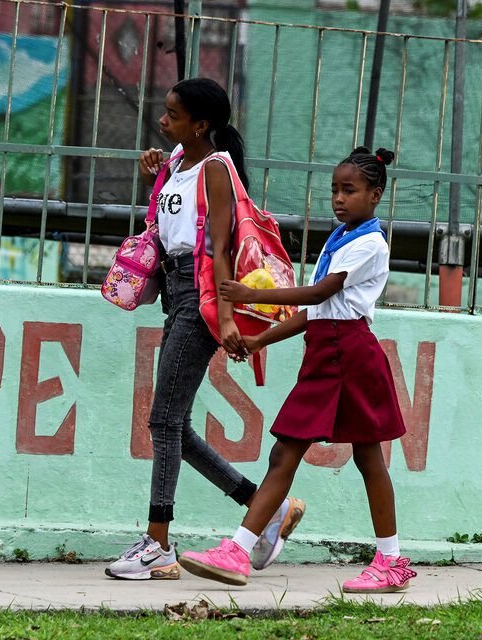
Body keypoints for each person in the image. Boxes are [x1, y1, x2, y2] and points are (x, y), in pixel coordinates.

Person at [177, 147, 417, 594]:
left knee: (343, 455)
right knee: (298, 453)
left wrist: (249, 296)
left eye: (350, 190)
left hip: (348, 354)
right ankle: (386, 560)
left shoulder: (369, 243)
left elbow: (321, 292)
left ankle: (383, 559)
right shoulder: (341, 237)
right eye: (334, 190)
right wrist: (260, 340)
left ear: (375, 195)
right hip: (329, 352)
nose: (339, 198)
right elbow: (317, 311)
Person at [105, 78, 305, 581]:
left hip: (201, 296)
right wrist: (154, 170)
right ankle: (267, 506)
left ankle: (158, 544)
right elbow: (169, 225)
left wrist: (228, 316)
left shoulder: (216, 168)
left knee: (163, 421)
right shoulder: (177, 161)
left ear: (201, 124)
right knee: (174, 425)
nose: (162, 120)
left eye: (173, 115)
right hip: (175, 292)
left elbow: (218, 246)